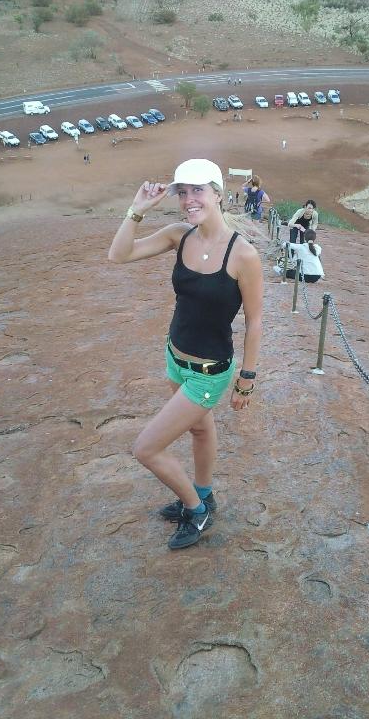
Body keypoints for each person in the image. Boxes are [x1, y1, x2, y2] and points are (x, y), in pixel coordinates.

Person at [108, 159, 263, 550]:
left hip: (209, 373)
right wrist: (137, 210)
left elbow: (255, 321)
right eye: (183, 191)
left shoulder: (243, 255)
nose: (189, 199)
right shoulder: (180, 235)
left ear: (218, 193)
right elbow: (119, 255)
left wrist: (246, 380)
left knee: (146, 448)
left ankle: (197, 510)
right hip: (175, 359)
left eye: (198, 190)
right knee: (198, 427)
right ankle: (204, 491)